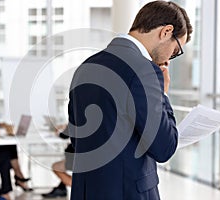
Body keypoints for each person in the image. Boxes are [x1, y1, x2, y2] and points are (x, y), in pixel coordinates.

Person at [68, 1, 193, 200]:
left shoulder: (85, 67)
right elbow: (164, 148)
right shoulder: (144, 70)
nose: (170, 59)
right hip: (129, 192)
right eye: (176, 50)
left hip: (86, 190)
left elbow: (77, 137)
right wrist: (164, 95)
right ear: (166, 32)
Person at [42, 125, 74, 198]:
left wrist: (58, 132)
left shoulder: (76, 117)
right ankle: (62, 187)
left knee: (56, 167)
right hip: (87, 157)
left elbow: (64, 135)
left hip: (76, 157)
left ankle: (75, 186)